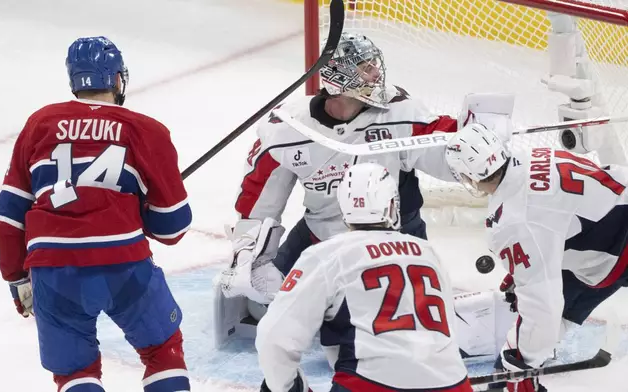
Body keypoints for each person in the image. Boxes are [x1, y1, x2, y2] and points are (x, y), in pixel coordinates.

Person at [215, 32, 515, 329]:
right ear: (337, 78)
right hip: (321, 232)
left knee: (395, 322)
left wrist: (473, 144)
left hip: (397, 236)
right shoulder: (288, 129)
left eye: (374, 63)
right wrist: (250, 254)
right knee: (261, 310)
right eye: (364, 66)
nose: (376, 73)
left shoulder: (399, 112)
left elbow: (443, 151)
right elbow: (259, 197)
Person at [0, 36, 193, 392]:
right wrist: (142, 211)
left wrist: (16, 278)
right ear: (117, 80)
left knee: (75, 372)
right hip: (123, 264)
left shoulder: (40, 123)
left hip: (53, 270)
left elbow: (8, 216)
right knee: (164, 351)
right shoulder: (145, 130)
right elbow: (174, 225)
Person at [255, 162, 473, 392]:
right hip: (454, 384)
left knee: (275, 384)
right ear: (392, 206)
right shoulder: (429, 252)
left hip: (369, 384)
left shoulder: (328, 254)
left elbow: (274, 337)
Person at [445, 123, 628, 392]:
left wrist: (522, 366)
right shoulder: (535, 154)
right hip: (614, 220)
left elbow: (543, 304)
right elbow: (559, 217)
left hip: (614, 249)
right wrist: (523, 268)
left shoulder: (513, 221)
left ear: (468, 177)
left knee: (529, 338)